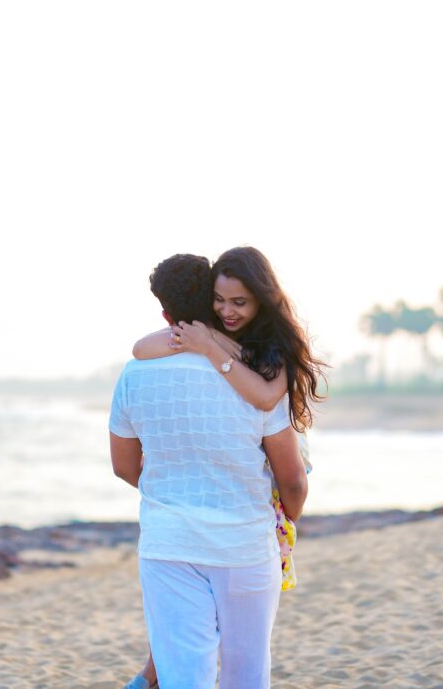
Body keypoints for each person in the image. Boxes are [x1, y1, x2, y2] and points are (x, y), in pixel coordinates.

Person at [110, 251, 323, 689]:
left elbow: (124, 466)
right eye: (222, 301)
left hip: (169, 542)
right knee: (247, 674)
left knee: (183, 677)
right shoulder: (253, 364)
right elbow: (293, 480)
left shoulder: (136, 375)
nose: (229, 311)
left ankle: (146, 678)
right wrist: (283, 521)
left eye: (239, 302)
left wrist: (172, 484)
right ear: (210, 300)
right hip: (244, 543)